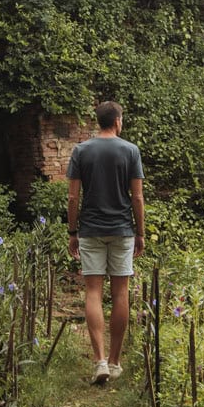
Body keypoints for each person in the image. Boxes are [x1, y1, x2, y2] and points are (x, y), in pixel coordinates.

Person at [67, 100, 144, 385]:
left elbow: (73, 197)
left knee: (93, 293)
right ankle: (114, 361)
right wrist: (141, 232)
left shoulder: (81, 151)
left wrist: (72, 231)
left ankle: (99, 361)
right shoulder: (130, 151)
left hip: (90, 230)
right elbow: (137, 197)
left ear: (98, 121)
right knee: (121, 293)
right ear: (118, 121)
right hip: (122, 230)